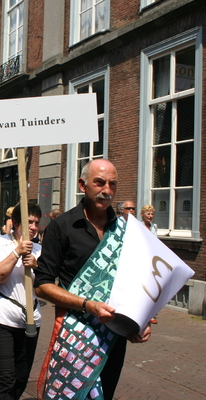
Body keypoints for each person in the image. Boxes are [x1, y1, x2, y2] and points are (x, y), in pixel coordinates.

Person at [35, 159, 151, 399]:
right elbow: (42, 286)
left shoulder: (126, 230)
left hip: (113, 338)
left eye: (112, 184)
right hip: (75, 333)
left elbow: (134, 283)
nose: (106, 190)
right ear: (82, 185)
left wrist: (140, 320)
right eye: (99, 182)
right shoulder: (61, 227)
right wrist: (89, 305)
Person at [0, 203, 42, 400]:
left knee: (21, 377)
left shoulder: (41, 250)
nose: (33, 227)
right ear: (15, 223)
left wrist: (37, 266)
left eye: (36, 223)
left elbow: (47, 286)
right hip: (0, 320)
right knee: (5, 377)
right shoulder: (1, 242)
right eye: (29, 222)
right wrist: (17, 252)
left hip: (30, 322)